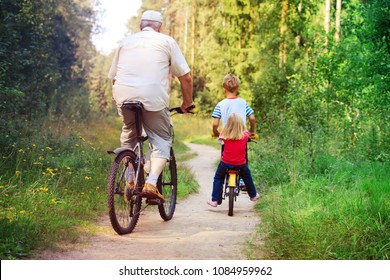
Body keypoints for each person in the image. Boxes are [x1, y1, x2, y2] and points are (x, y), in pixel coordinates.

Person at [108, 10, 194, 203]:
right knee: (162, 138)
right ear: (159, 27)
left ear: (140, 26)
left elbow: (113, 77)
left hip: (123, 95)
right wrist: (187, 103)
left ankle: (129, 179)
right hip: (153, 97)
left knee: (129, 135)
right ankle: (151, 183)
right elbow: (186, 78)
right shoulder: (167, 41)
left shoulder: (124, 42)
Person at [208, 113, 260, 207]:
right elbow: (248, 133)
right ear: (241, 125)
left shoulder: (225, 135)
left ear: (228, 125)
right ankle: (253, 195)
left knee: (218, 178)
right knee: (247, 177)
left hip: (225, 164)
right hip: (241, 164)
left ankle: (215, 200)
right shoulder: (245, 135)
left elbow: (220, 137)